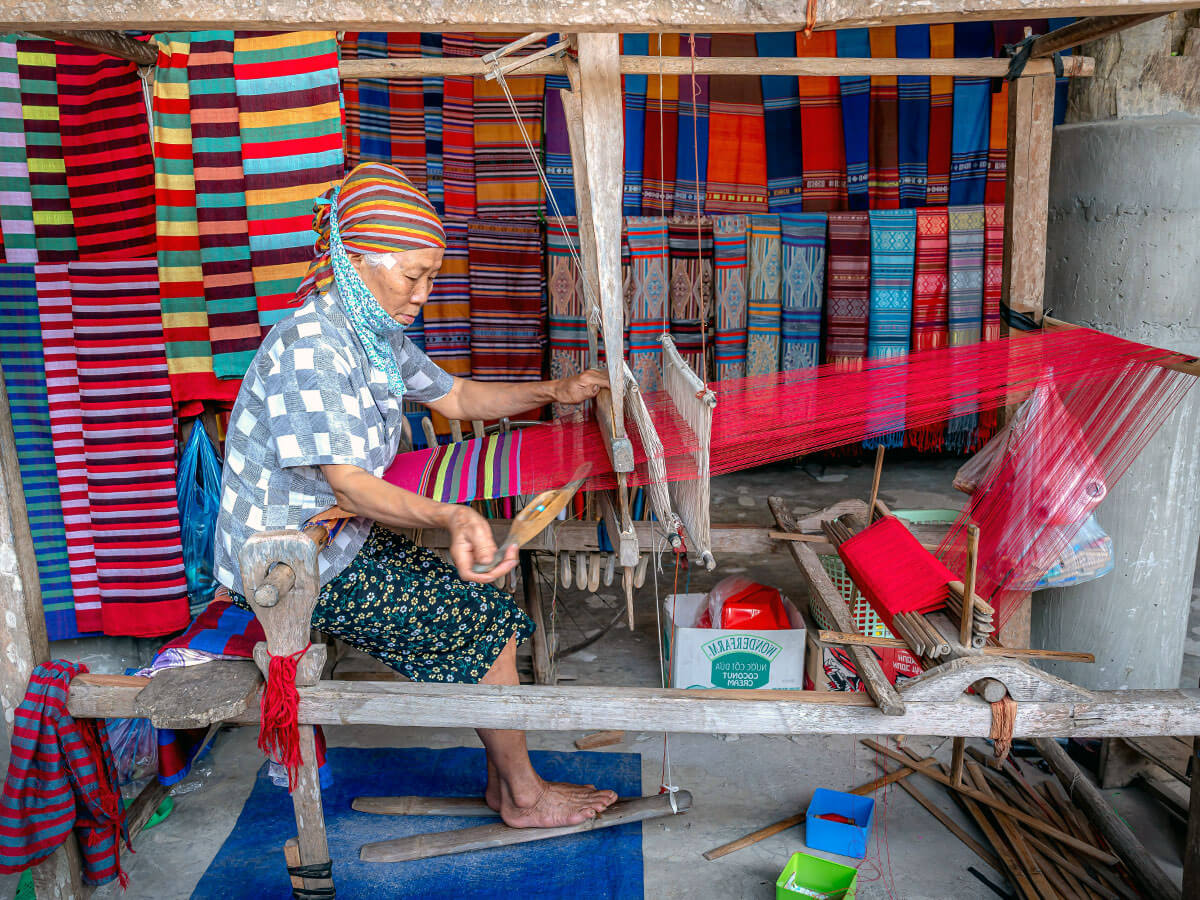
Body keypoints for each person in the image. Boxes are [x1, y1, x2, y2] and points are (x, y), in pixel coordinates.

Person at [213, 162, 617, 827]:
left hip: (335, 539)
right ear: (358, 263)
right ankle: (523, 796)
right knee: (484, 630)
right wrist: (452, 514)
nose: (424, 293)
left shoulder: (371, 336)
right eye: (413, 275)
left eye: (431, 275)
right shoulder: (312, 348)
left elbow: (454, 395)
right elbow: (348, 483)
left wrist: (555, 393)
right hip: (288, 565)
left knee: (487, 608)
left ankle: (503, 785)